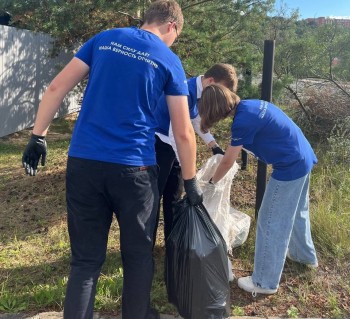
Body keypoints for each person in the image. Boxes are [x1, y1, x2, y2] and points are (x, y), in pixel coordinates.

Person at [21, 1, 203, 318]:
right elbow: (184, 132)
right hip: (134, 171)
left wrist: (38, 136)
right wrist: (190, 181)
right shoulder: (169, 61)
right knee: (137, 257)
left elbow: (56, 87)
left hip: (84, 164)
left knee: (85, 262)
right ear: (172, 26)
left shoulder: (104, 39)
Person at [198, 83, 318, 295]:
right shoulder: (251, 106)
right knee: (298, 213)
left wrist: (211, 184)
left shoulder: (243, 121)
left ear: (216, 109)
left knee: (271, 221)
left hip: (290, 166)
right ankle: (303, 256)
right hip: (302, 157)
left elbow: (227, 162)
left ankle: (264, 282)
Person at [153, 63, 238, 244]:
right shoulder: (184, 91)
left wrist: (212, 144)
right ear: (210, 81)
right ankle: (146, 247)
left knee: (174, 197)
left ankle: (173, 243)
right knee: (154, 196)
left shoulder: (200, 91)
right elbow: (174, 134)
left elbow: (195, 119)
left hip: (174, 146)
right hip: (160, 143)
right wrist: (188, 172)